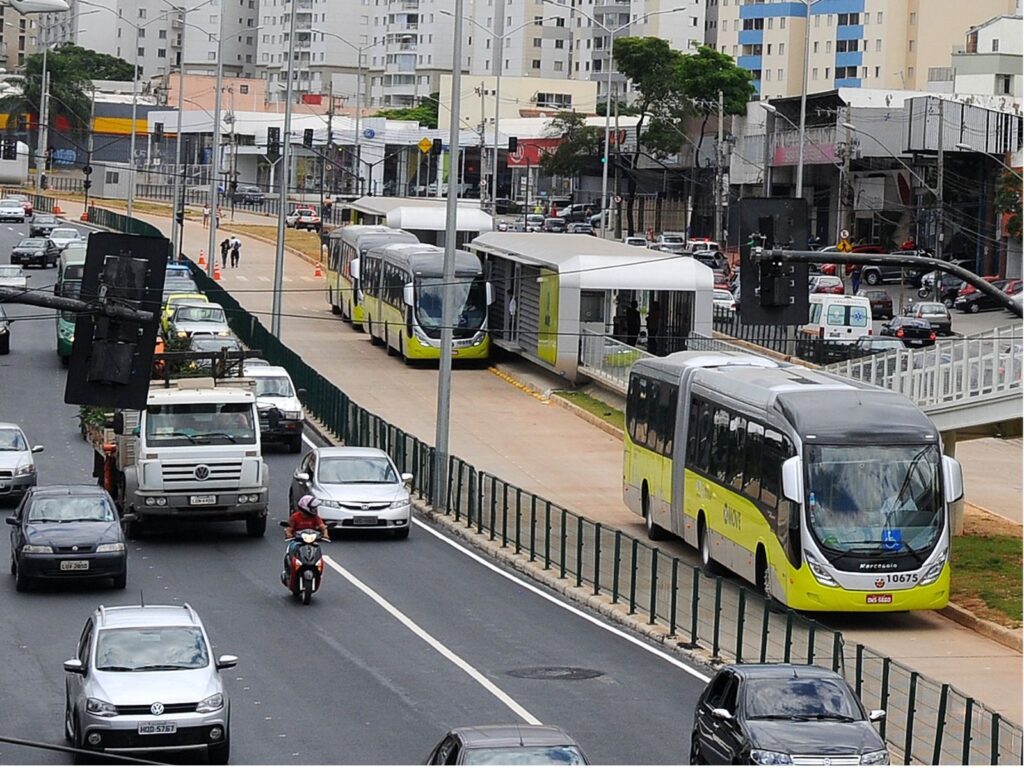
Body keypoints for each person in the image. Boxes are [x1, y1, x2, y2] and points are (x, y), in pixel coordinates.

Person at [283, 494, 330, 577]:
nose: (315, 510)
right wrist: (289, 535)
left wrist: (325, 535)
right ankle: (289, 571)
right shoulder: (295, 517)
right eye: (313, 508)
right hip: (297, 540)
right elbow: (289, 528)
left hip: (311, 539)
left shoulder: (315, 517)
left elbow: (322, 527)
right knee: (290, 550)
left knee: (317, 550)